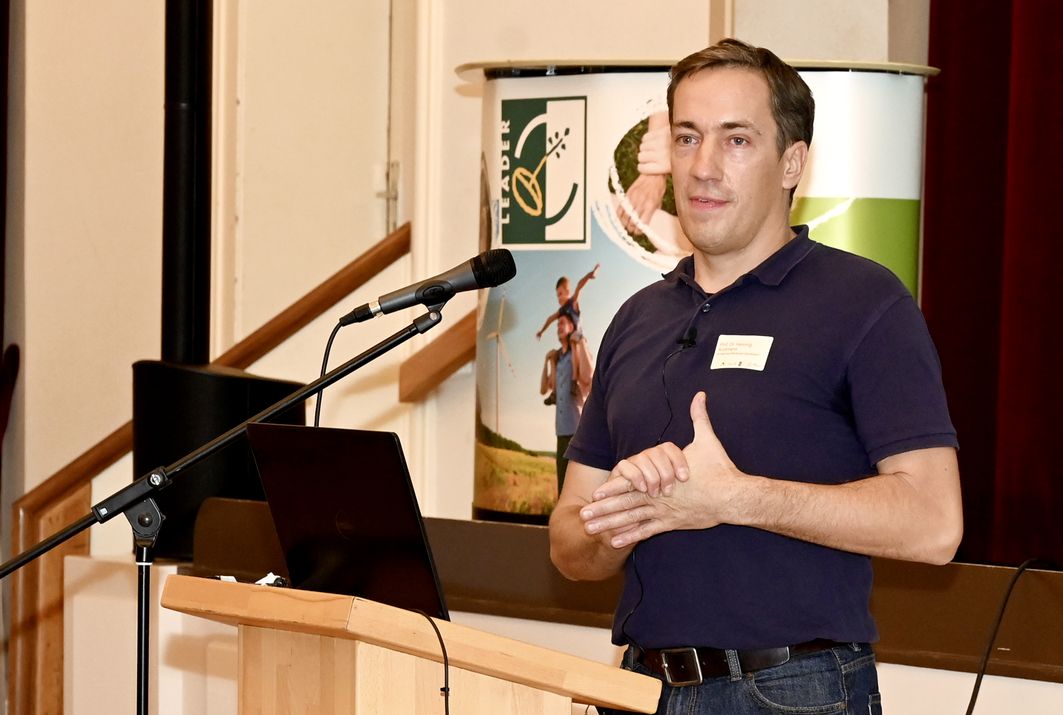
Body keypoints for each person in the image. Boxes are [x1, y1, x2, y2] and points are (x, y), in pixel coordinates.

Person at [548, 38, 962, 715]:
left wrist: (736, 498)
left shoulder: (864, 302)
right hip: (637, 687)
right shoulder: (636, 316)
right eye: (687, 137)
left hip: (790, 690)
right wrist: (620, 514)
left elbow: (934, 523)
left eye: (735, 140)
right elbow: (569, 544)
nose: (702, 166)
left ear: (792, 162)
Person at [541, 313, 592, 493]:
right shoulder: (559, 360)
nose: (558, 327)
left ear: (572, 327)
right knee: (562, 488)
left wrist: (580, 342)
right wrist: (548, 361)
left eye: (562, 323)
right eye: (557, 325)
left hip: (577, 431)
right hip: (561, 432)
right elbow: (546, 388)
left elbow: (588, 378)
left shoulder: (578, 351)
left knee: (578, 491)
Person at [537, 263, 599, 405]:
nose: (558, 298)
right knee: (559, 353)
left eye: (560, 294)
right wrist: (542, 331)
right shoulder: (561, 310)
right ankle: (555, 392)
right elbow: (550, 318)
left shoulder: (572, 303)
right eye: (557, 295)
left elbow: (579, 286)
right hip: (571, 343)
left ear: (567, 291)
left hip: (578, 339)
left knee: (572, 342)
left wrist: (589, 276)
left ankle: (573, 382)